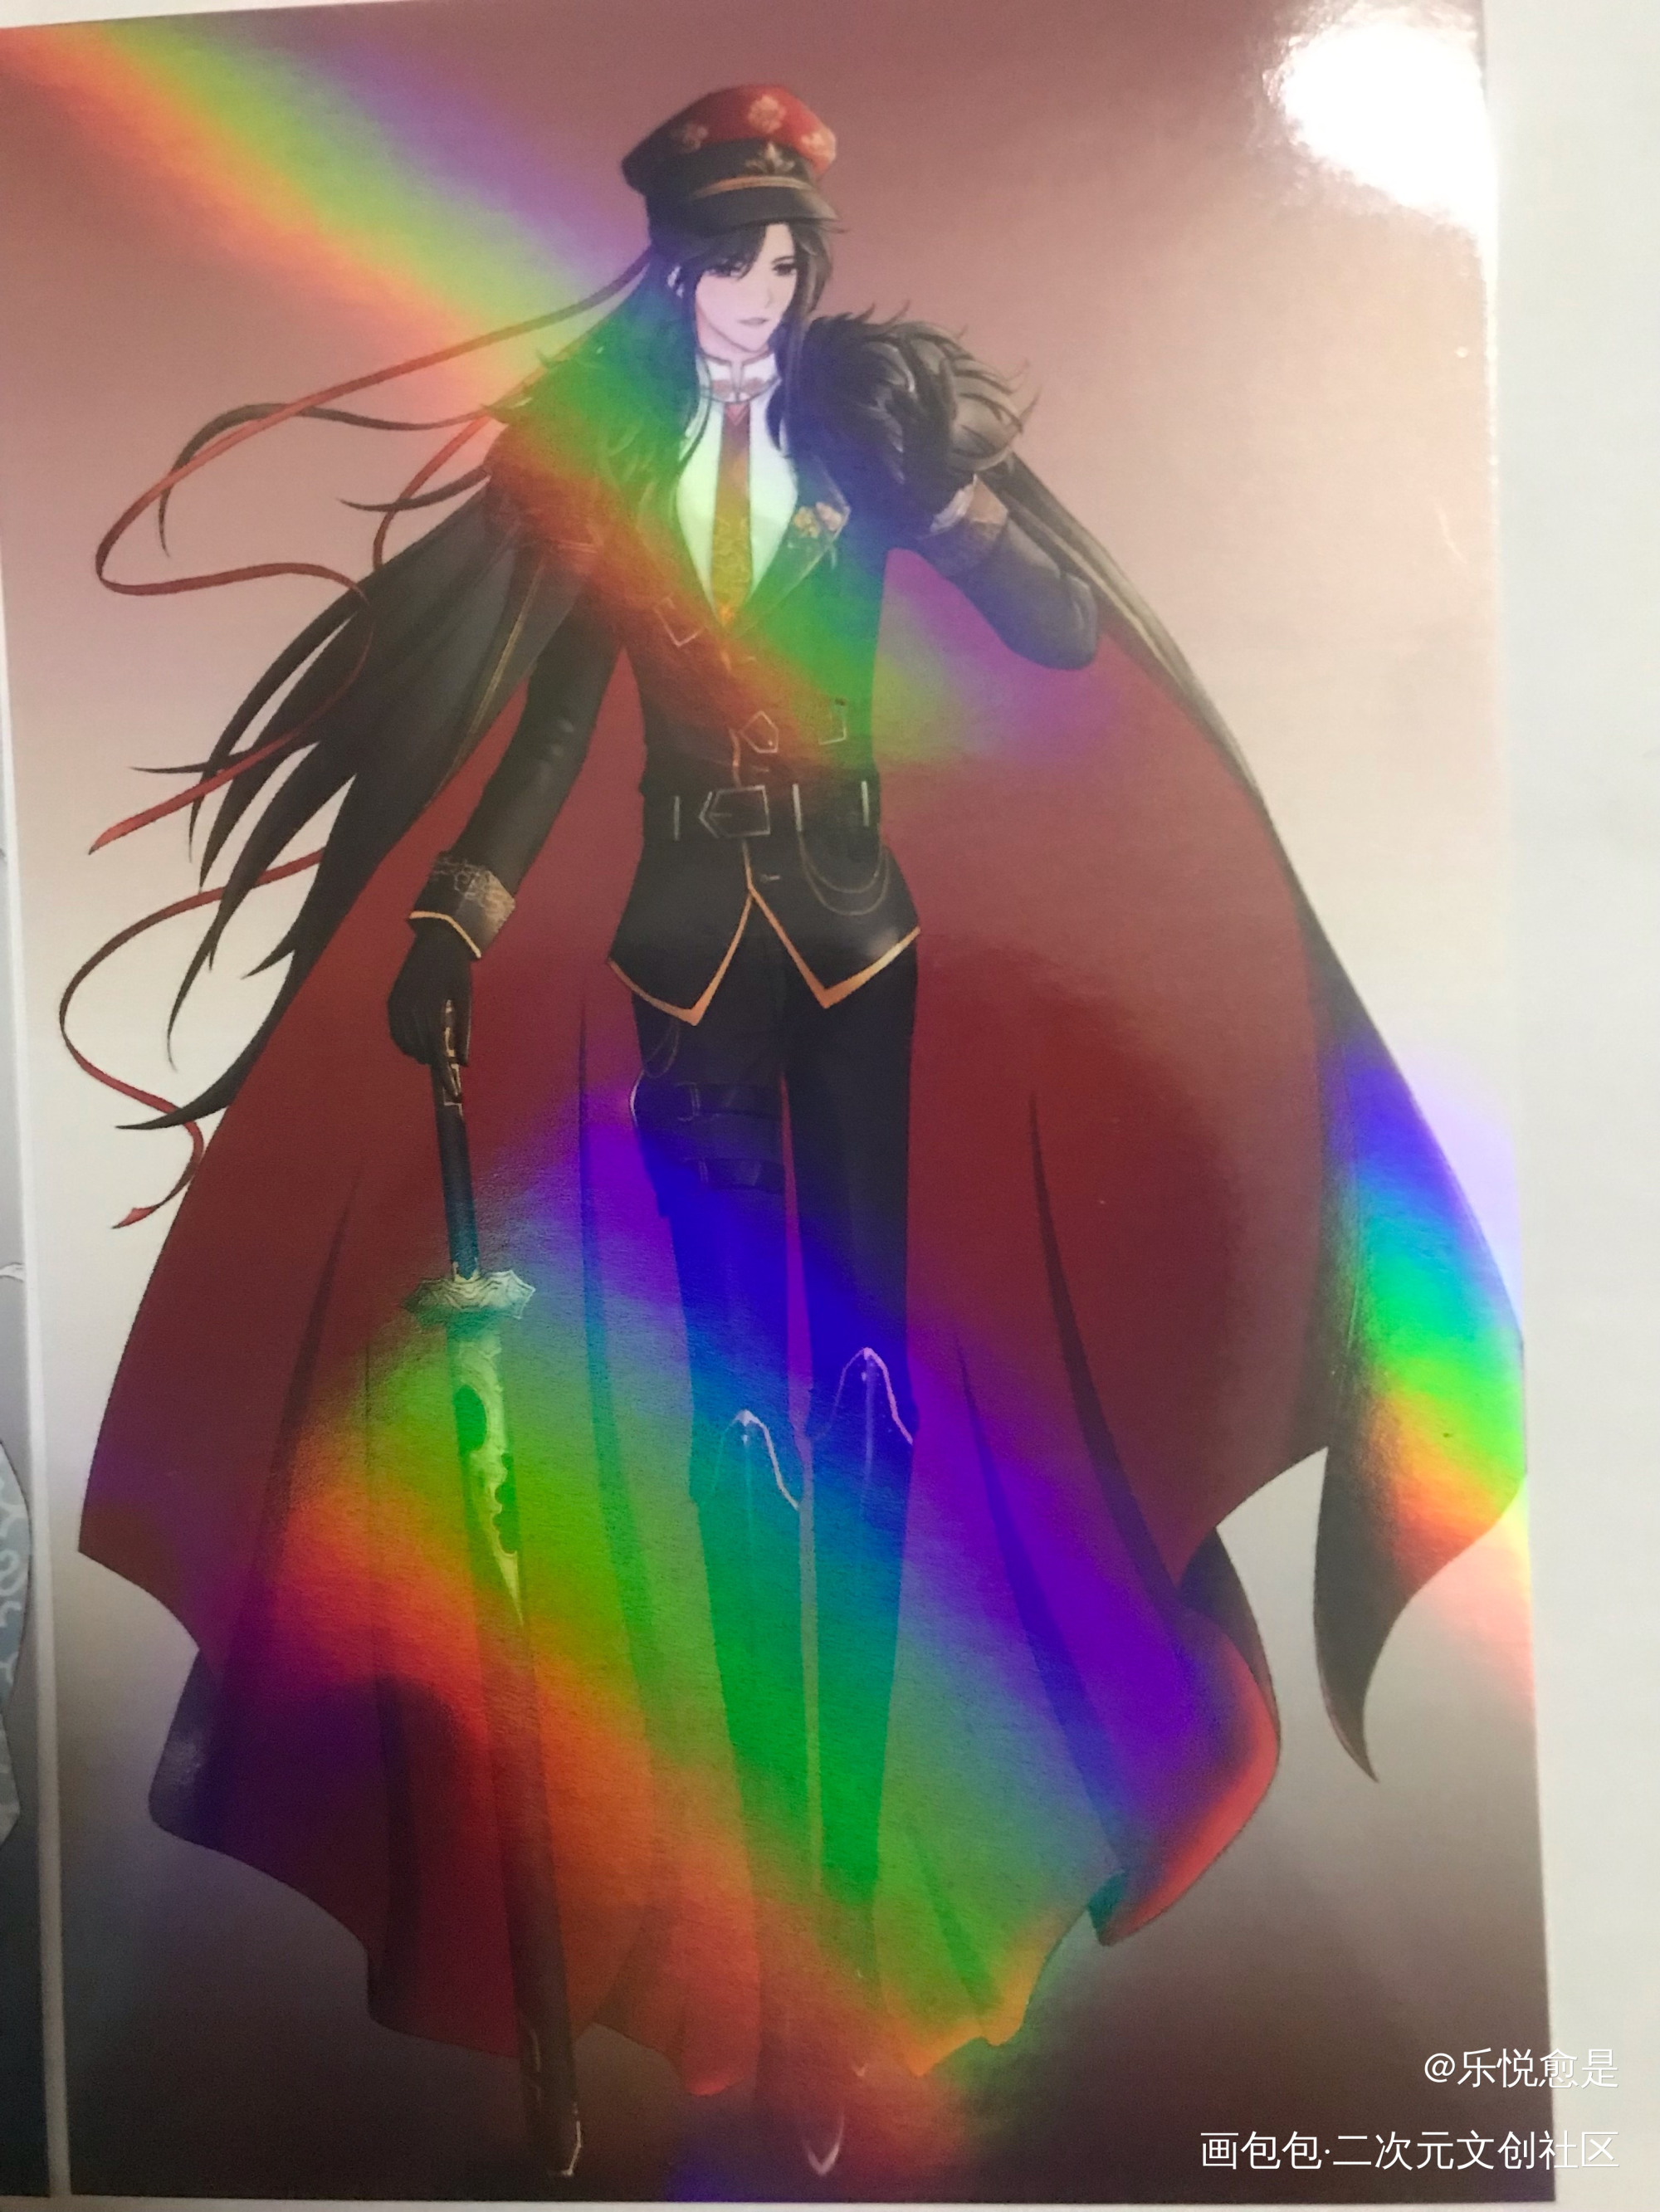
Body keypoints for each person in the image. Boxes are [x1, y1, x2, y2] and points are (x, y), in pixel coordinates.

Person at [76, 84, 1522, 2185]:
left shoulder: (869, 443)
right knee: (715, 1444)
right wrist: (459, 913)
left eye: (779, 259)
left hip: (856, 966)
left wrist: (959, 507)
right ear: (671, 274)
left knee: (861, 1425)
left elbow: (1047, 642)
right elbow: (553, 732)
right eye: (721, 260)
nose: (753, 293)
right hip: (684, 975)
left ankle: (839, 1950)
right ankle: (725, 1925)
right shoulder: (617, 479)